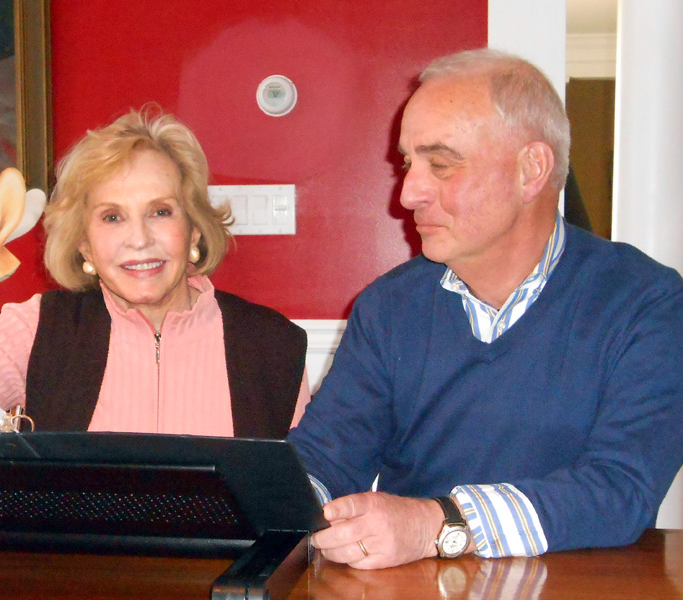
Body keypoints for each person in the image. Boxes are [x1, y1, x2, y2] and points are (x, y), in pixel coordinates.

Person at [288, 48, 683, 569]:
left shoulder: (647, 304)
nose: (407, 194)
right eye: (409, 164)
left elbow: (618, 491)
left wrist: (440, 524)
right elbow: (322, 461)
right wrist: (280, 502)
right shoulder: (388, 309)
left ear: (531, 170)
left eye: (441, 164)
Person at [0, 106, 311, 438]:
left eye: (161, 211)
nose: (138, 238)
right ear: (85, 245)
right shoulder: (38, 328)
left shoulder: (272, 345)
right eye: (112, 217)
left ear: (196, 230)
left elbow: (304, 496)